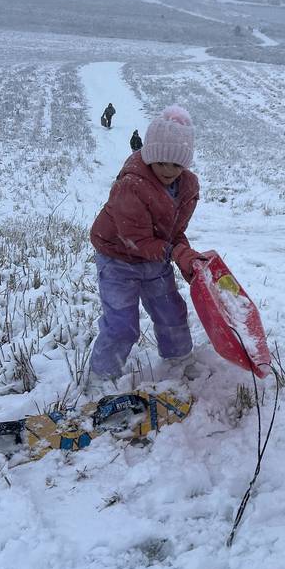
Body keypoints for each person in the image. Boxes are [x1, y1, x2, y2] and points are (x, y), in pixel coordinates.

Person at [88, 105, 215, 387]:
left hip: (154, 259)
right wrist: (174, 252)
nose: (169, 170)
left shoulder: (187, 187)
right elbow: (137, 240)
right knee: (122, 324)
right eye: (161, 162)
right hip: (118, 258)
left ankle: (179, 358)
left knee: (171, 310)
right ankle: (102, 375)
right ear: (148, 155)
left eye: (177, 164)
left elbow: (174, 231)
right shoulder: (131, 185)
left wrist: (187, 257)